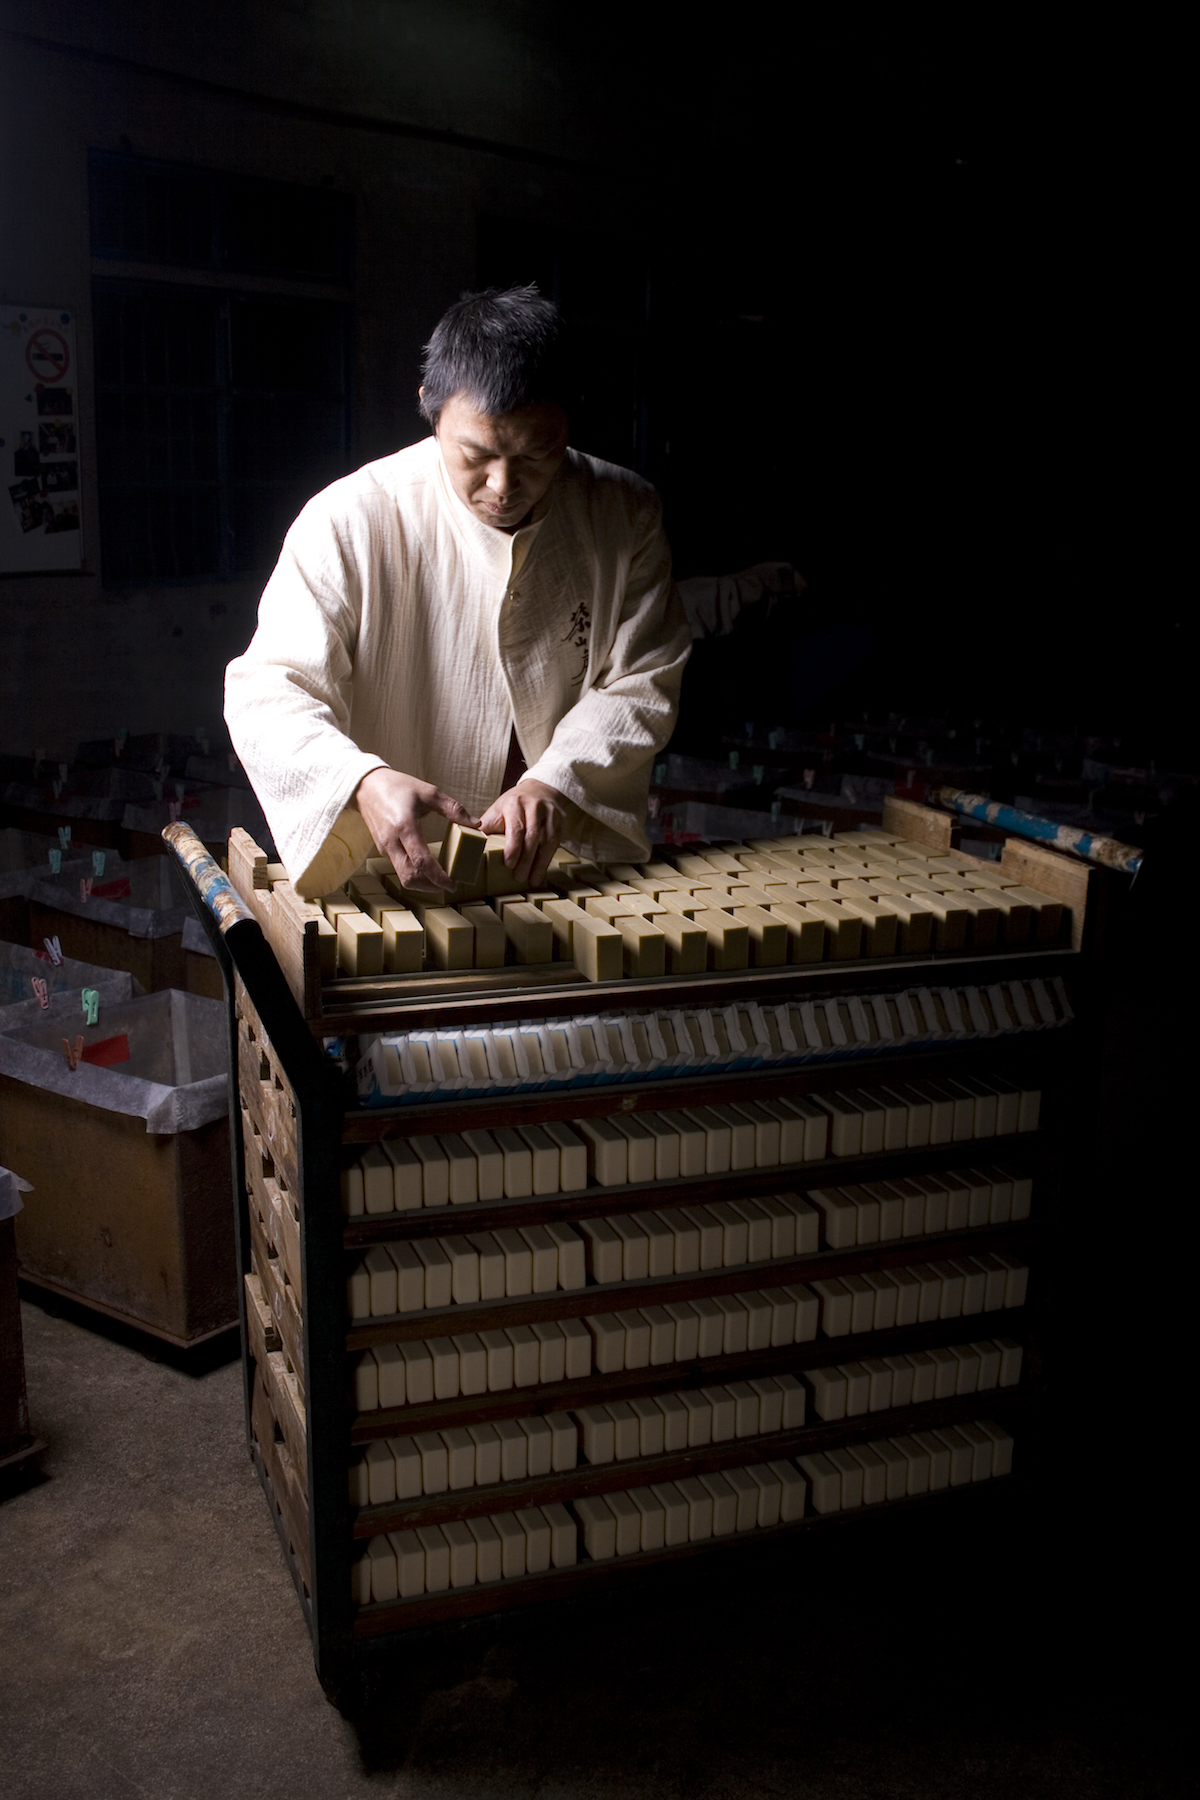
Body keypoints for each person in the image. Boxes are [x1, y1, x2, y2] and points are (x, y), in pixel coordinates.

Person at [224, 285, 690, 901]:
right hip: (392, 884)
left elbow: (644, 675)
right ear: (429, 407)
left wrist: (556, 779)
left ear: (569, 421)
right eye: (477, 454)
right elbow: (268, 692)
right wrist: (361, 780)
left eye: (536, 453)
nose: (503, 485)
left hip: (569, 869)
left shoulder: (624, 513)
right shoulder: (348, 520)